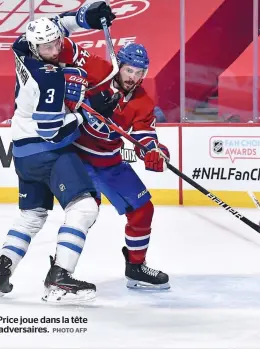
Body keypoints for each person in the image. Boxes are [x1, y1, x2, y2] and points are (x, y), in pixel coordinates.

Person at [0, 2, 115, 303]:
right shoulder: (49, 78)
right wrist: (88, 115)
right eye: (47, 47)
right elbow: (51, 131)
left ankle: (0, 273)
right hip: (46, 152)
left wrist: (86, 17)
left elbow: (59, 23)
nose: (55, 50)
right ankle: (59, 279)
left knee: (31, 216)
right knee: (84, 208)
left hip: (23, 153)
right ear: (36, 48)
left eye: (55, 42)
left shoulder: (20, 48)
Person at [73, 43, 170, 289]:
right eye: (129, 71)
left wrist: (153, 151)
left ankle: (136, 266)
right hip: (76, 158)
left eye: (139, 73)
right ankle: (60, 273)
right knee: (83, 214)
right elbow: (64, 53)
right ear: (119, 66)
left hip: (109, 162)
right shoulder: (98, 72)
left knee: (143, 209)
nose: (133, 78)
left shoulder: (143, 101)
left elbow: (144, 135)